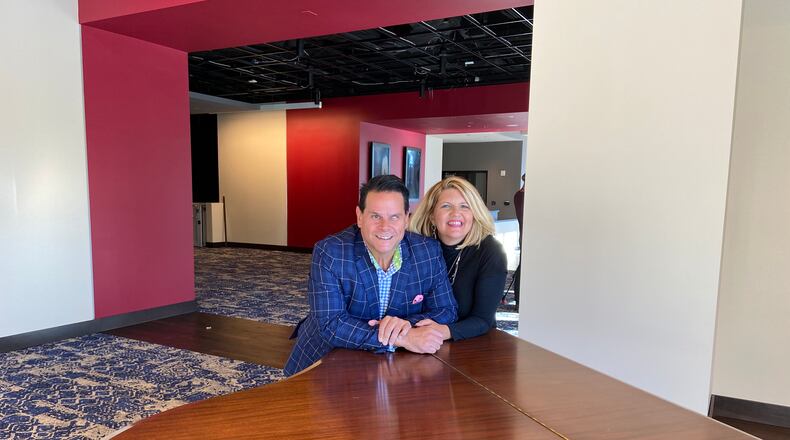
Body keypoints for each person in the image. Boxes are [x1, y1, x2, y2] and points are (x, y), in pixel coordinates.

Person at [284, 175, 458, 376]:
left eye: (394, 217)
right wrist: (401, 338)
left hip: (398, 368)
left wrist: (406, 325)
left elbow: (447, 309)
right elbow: (330, 324)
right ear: (360, 217)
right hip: (327, 363)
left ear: (406, 218)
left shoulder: (427, 252)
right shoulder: (330, 252)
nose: (385, 226)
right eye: (376, 216)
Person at [408, 176, 508, 341]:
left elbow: (483, 320)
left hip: (472, 343)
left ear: (474, 214)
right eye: (446, 206)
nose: (456, 213)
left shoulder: (490, 251)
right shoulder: (416, 249)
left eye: (465, 206)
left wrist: (441, 332)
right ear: (432, 216)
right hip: (415, 339)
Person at [512, 173, 525, 306]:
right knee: (523, 268)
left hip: (526, 237)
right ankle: (519, 299)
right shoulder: (520, 196)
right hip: (526, 238)